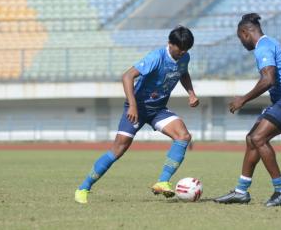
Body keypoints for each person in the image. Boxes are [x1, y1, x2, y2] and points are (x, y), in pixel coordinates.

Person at [75, 26, 199, 204]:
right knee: (118, 150)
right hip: (137, 108)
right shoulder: (156, 57)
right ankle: (83, 188)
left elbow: (183, 73)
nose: (183, 53)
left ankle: (162, 182)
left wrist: (191, 93)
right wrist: (132, 105)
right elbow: (127, 76)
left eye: (186, 50)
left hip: (158, 110)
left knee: (183, 136)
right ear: (170, 44)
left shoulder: (184, 56)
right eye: (180, 49)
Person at [214, 13, 281, 207]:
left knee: (259, 139)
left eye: (240, 38)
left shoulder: (262, 48)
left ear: (245, 32)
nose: (241, 42)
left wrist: (243, 99)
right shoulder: (274, 43)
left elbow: (268, 79)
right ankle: (241, 191)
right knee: (251, 139)